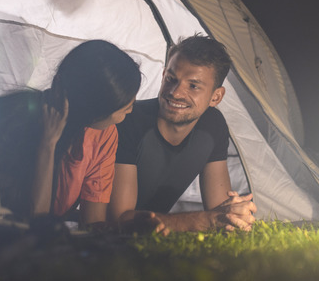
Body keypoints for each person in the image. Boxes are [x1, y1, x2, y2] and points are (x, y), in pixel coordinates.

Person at [0, 40, 141, 227]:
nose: (131, 110)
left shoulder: (104, 136)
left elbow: (93, 224)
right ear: (95, 110)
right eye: (126, 106)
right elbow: (34, 220)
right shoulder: (19, 119)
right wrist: (48, 144)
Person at [108, 35, 257, 233]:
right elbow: (120, 220)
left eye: (193, 86)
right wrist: (204, 221)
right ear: (163, 76)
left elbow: (217, 210)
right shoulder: (128, 122)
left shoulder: (213, 125)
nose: (175, 93)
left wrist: (233, 213)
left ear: (216, 96)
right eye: (171, 79)